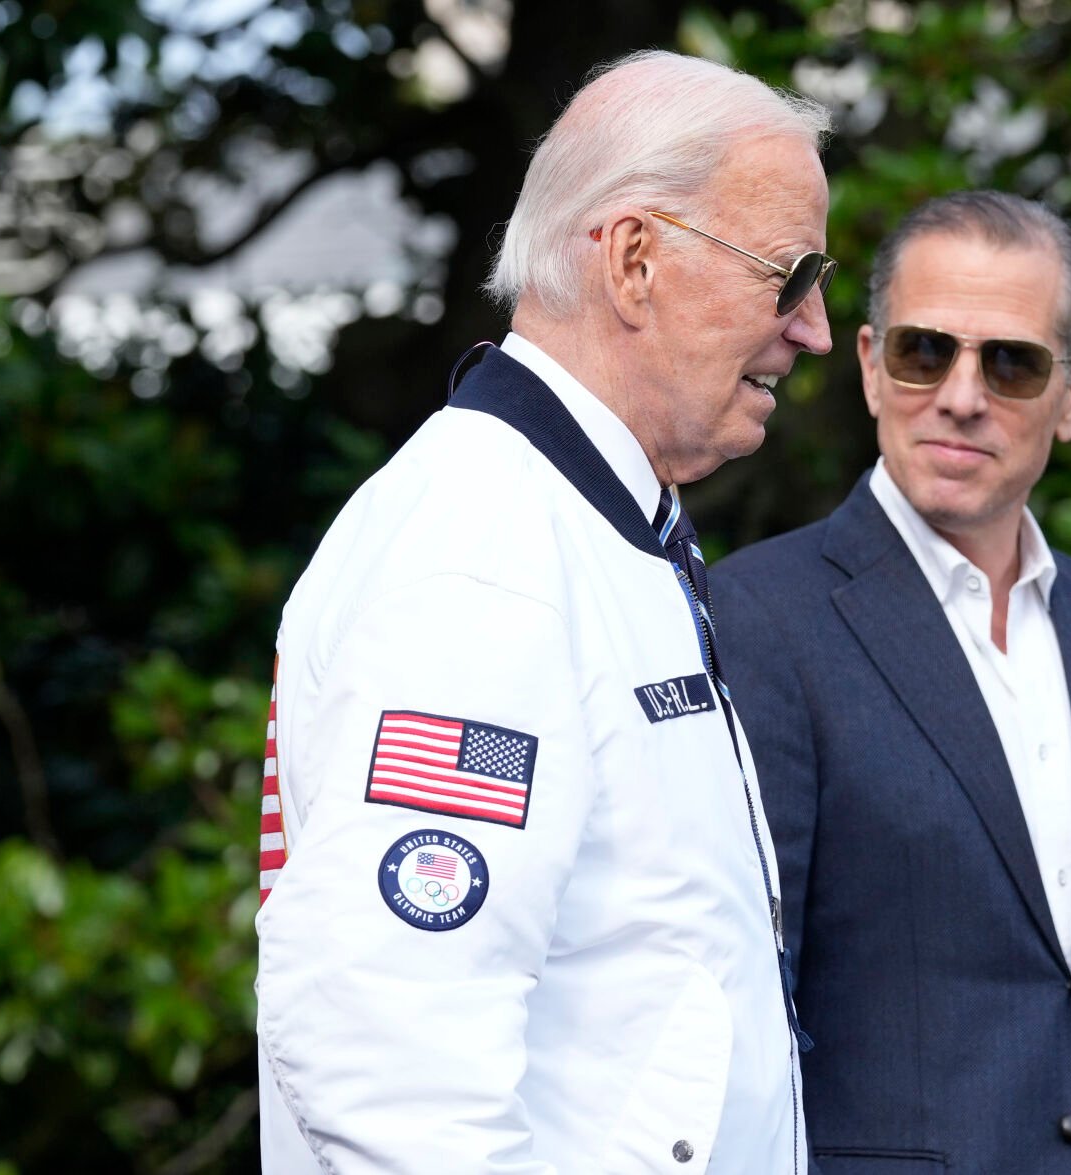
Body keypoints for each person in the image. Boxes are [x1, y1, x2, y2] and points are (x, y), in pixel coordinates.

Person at [253, 50, 835, 1174]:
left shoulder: (587, 523)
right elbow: (389, 1057)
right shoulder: (484, 557)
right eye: (787, 272)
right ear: (631, 260)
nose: (810, 327)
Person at [714, 190, 1071, 1174]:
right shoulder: (757, 620)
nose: (959, 393)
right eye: (922, 351)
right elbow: (735, 998)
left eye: (1009, 362)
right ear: (867, 365)